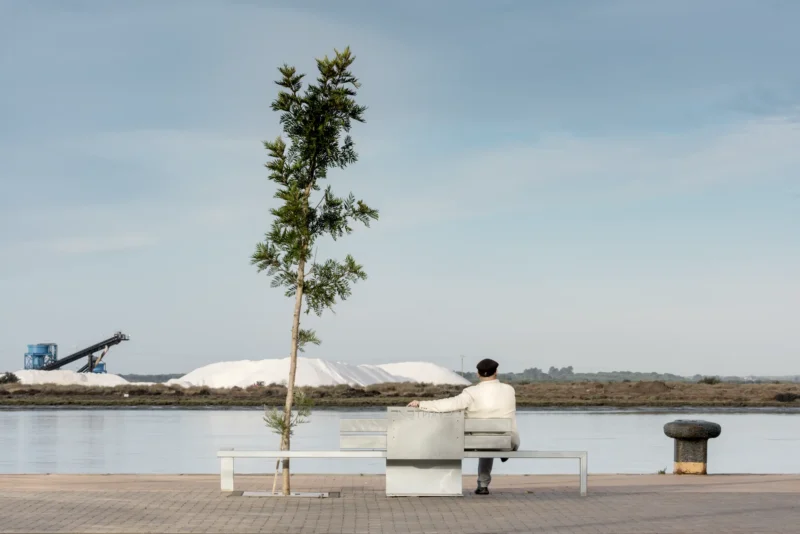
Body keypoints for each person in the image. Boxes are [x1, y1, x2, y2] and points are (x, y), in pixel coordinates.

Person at [407, 358, 519, 495]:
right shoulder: (509, 390)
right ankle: (483, 483)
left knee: (475, 439)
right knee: (490, 438)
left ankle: (449, 484)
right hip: (506, 440)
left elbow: (449, 405)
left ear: (477, 374)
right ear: (496, 371)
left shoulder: (471, 392)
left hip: (478, 440)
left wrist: (422, 404)